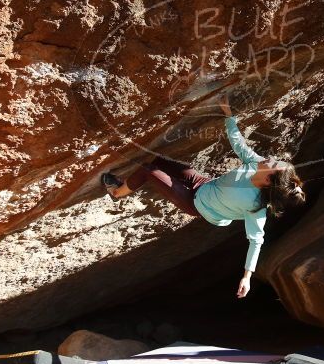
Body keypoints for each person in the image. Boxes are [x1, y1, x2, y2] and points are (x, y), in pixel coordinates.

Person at [101, 95, 306, 298]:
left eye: (273, 163)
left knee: (149, 170)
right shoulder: (257, 164)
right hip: (205, 184)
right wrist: (229, 116)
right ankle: (133, 184)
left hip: (197, 205)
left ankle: (116, 192)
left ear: (268, 180)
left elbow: (256, 241)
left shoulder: (255, 206)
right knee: (159, 161)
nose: (270, 158)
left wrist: (247, 277)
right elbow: (240, 147)